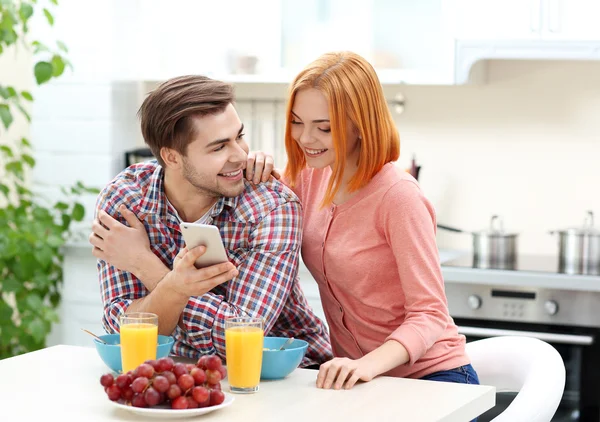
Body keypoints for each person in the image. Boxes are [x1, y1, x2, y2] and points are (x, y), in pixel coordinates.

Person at [247, 51, 479, 392]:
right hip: (360, 382)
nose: (305, 138)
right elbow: (263, 202)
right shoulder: (310, 177)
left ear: (360, 124)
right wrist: (256, 164)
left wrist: (365, 365)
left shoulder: (398, 197)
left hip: (433, 380)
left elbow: (429, 313)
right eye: (297, 122)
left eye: (323, 127)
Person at [89, 75, 332, 366]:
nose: (240, 156)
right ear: (172, 157)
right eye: (218, 147)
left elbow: (240, 341)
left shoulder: (271, 206)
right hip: (183, 373)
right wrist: (172, 286)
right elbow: (126, 337)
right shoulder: (125, 201)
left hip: (287, 374)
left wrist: (146, 266)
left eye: (239, 137)